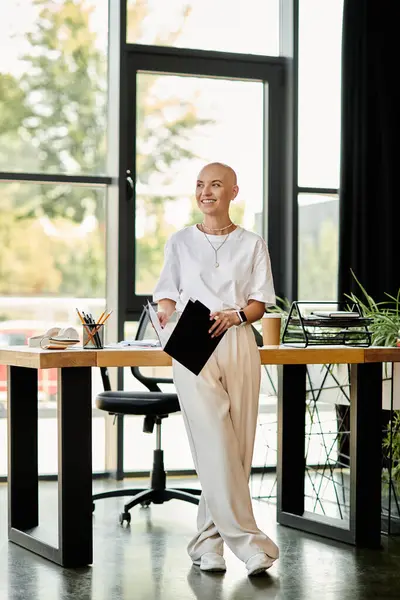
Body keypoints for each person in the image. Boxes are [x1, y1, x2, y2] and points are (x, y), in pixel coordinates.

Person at [153, 162, 279, 577]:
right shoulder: (180, 242)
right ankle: (251, 544)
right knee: (213, 442)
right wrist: (167, 318)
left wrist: (239, 315)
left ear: (233, 192)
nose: (206, 192)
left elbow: (260, 304)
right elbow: (166, 296)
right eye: (200, 185)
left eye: (216, 185)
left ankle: (208, 546)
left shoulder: (252, 243)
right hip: (192, 339)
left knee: (237, 446)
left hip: (239, 339)